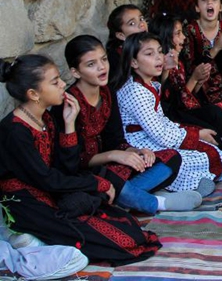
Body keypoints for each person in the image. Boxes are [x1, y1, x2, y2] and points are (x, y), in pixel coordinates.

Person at [0, 55, 161, 265]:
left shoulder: (45, 118)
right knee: (123, 244)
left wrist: (69, 125)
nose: (63, 85)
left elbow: (66, 167)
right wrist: (96, 183)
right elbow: (45, 179)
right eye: (55, 82)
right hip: (28, 204)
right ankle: (33, 242)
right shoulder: (14, 131)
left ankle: (45, 239)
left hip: (51, 191)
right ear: (33, 94)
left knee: (130, 229)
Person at [55, 35, 201, 214]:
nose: (102, 67)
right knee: (103, 180)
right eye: (91, 64)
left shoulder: (107, 92)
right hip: (85, 172)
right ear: (75, 72)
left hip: (113, 165)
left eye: (104, 59)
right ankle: (156, 203)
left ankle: (124, 197)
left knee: (171, 157)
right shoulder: (69, 104)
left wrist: (135, 152)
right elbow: (74, 161)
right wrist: (114, 155)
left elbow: (115, 139)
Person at [114, 32, 222, 197]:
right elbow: (160, 135)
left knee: (212, 149)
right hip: (142, 143)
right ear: (133, 62)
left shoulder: (149, 84)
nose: (158, 58)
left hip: (153, 136)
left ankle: (189, 182)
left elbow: (161, 121)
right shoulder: (135, 91)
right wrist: (195, 135)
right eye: (149, 54)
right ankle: (174, 188)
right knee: (194, 157)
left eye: (159, 51)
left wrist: (192, 133)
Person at [151, 13, 222, 148]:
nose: (184, 37)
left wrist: (199, 81)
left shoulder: (180, 60)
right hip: (178, 115)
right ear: (166, 36)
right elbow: (175, 104)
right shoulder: (159, 66)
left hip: (194, 104)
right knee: (217, 111)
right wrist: (194, 79)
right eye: (178, 33)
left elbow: (191, 92)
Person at [106, 4, 148, 79]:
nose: (141, 24)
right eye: (132, 23)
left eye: (141, 19)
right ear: (121, 35)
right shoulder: (117, 59)